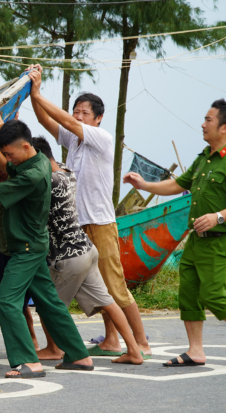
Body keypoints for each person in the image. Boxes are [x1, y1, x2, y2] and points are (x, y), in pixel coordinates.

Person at [27, 64, 152, 358]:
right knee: (98, 288)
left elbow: (65, 122)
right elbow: (47, 121)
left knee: (115, 286)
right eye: (76, 110)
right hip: (78, 224)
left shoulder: (101, 137)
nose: (78, 116)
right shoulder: (75, 141)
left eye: (84, 112)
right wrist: (33, 95)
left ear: (98, 118)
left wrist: (39, 91)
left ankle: (142, 341)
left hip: (100, 222)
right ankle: (111, 340)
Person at [0, 119, 93, 378]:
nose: (6, 159)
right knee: (50, 303)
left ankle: (29, 361)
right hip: (35, 244)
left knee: (6, 301)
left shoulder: (32, 175)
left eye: (9, 153)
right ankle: (79, 355)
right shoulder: (36, 160)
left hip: (26, 249)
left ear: (25, 146)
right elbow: (8, 166)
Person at [123, 99, 226, 368]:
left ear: (225, 127)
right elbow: (178, 184)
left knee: (213, 295)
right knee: (189, 294)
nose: (203, 125)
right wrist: (144, 184)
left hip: (221, 241)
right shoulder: (204, 157)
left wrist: (218, 217)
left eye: (209, 120)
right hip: (196, 240)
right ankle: (195, 351)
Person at [29, 137, 143, 364]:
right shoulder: (66, 172)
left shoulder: (48, 182)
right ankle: (134, 351)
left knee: (48, 305)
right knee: (108, 302)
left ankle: (55, 349)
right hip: (86, 250)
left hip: (67, 257)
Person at [0, 110, 39, 351]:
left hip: (24, 250)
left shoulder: (18, 179)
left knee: (19, 301)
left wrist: (5, 126)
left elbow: (13, 153)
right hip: (5, 251)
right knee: (17, 304)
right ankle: (27, 340)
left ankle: (31, 343)